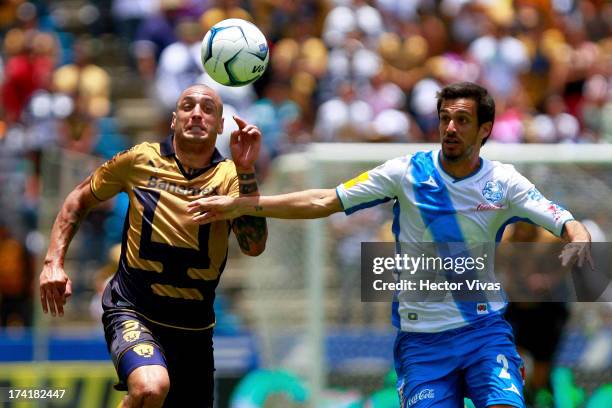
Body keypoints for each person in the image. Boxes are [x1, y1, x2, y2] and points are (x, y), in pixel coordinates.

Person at [188, 82, 593, 408]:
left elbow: (564, 220)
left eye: (462, 120)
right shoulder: (406, 172)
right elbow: (324, 200)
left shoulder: (503, 182)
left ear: (484, 129)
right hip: (422, 343)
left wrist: (579, 238)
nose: (450, 128)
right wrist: (239, 203)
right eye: (445, 118)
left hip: (483, 332)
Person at [39, 84, 268, 408]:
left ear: (220, 125)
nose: (197, 114)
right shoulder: (139, 159)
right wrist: (53, 262)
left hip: (194, 329)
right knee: (150, 387)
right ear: (174, 120)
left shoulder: (231, 176)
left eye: (208, 109)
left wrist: (246, 172)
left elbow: (254, 245)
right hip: (133, 309)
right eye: (188, 106)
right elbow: (78, 199)